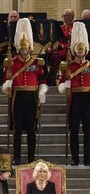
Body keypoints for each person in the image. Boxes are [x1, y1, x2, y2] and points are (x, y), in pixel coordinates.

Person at [2, 18, 48, 165]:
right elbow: (6, 80)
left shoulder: (36, 62)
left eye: (25, 48)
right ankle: (17, 157)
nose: (23, 50)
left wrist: (42, 91)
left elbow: (42, 80)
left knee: (31, 130)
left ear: (29, 48)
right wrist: (7, 84)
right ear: (18, 49)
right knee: (17, 130)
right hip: (18, 97)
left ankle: (30, 158)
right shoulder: (12, 62)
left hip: (32, 98)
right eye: (21, 49)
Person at [58, 21, 90, 166]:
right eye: (78, 51)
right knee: (74, 131)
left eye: (82, 51)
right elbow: (61, 83)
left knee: (89, 131)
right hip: (75, 99)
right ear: (74, 51)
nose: (80, 53)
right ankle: (75, 158)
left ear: (86, 51)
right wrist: (66, 85)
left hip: (88, 99)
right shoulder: (69, 66)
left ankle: (88, 158)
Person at [48, 9, 75, 85]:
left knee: (58, 56)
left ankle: (66, 77)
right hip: (60, 49)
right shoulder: (60, 28)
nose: (65, 17)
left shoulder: (75, 28)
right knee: (53, 56)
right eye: (64, 15)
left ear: (72, 17)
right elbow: (55, 40)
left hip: (71, 50)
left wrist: (64, 45)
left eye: (67, 15)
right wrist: (54, 46)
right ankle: (52, 79)